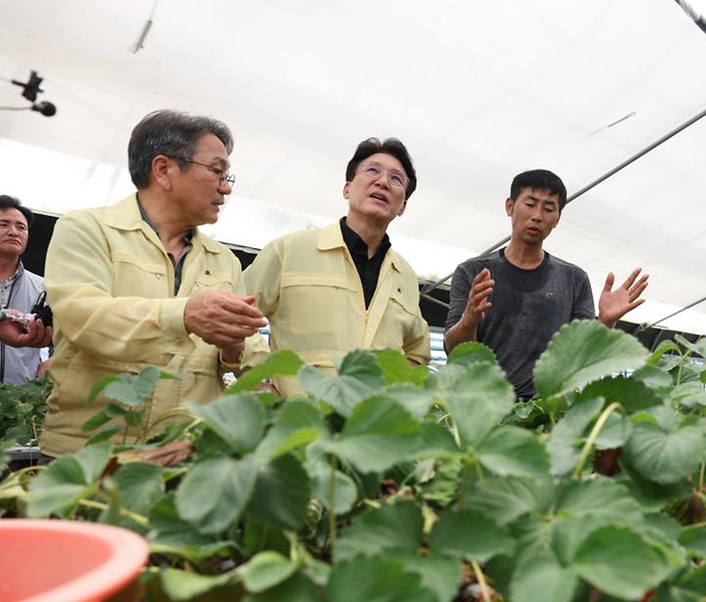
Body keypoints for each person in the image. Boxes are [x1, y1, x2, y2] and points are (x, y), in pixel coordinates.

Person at [40, 110, 268, 458]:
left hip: (184, 454)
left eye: (227, 175)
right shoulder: (88, 230)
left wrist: (236, 347)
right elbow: (82, 318)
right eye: (217, 171)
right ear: (163, 170)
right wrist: (184, 315)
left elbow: (248, 347)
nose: (226, 187)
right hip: (90, 455)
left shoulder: (223, 260)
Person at [243, 137, 430, 396]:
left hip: (369, 420)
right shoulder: (289, 250)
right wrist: (257, 383)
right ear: (347, 189)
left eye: (396, 178)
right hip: (298, 415)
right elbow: (231, 315)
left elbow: (417, 351)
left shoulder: (405, 275)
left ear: (403, 206)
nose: (383, 182)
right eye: (372, 170)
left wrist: (394, 397)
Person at [444, 169, 649, 400]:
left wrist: (606, 323)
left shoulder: (574, 279)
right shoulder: (473, 272)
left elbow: (581, 359)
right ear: (510, 206)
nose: (537, 216)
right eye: (530, 204)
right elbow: (454, 351)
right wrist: (469, 320)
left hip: (546, 410)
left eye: (549, 209)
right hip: (482, 405)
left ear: (557, 218)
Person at [0, 195, 51, 384]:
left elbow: (65, 334)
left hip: (20, 396)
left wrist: (54, 361)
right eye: (3, 224)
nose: (13, 232)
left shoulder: (44, 288)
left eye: (21, 227)